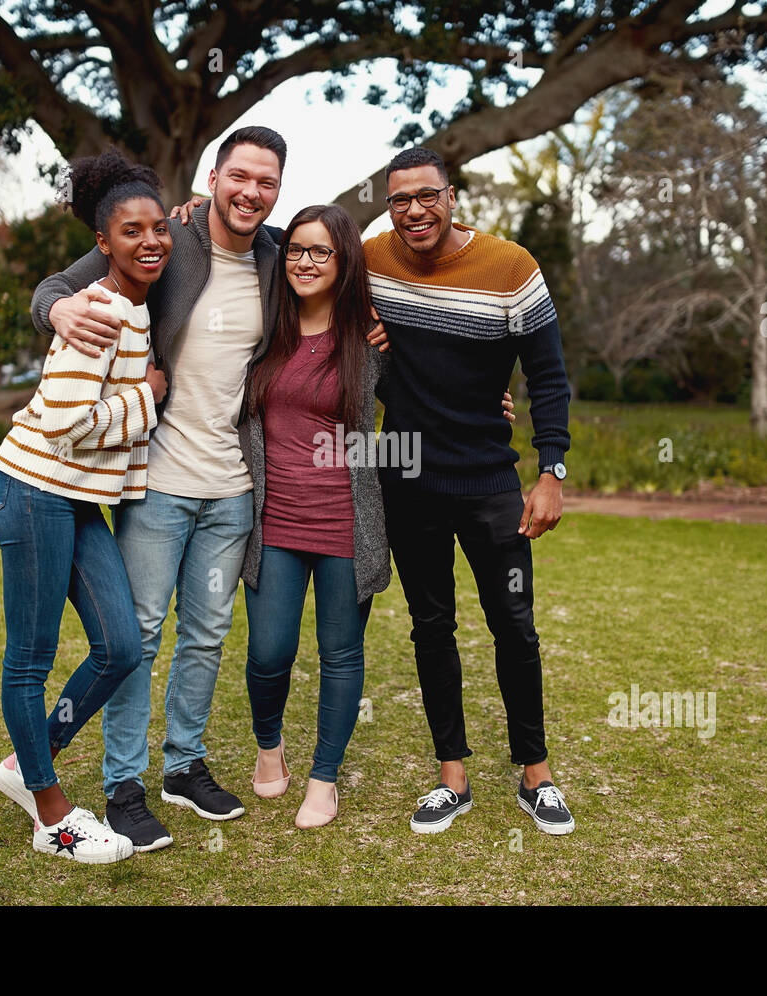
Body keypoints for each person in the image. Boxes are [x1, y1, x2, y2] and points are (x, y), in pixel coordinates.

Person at [29, 128, 388, 849]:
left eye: (268, 182)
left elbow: (329, 257)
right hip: (158, 479)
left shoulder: (276, 257)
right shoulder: (171, 240)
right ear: (213, 177)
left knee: (206, 638)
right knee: (141, 635)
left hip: (234, 492)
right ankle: (124, 783)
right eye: (241, 177)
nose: (252, 192)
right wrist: (56, 310)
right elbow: (61, 284)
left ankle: (184, 766)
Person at [239, 205, 517, 828]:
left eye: (321, 252)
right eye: (296, 251)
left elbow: (433, 392)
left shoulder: (373, 342)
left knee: (341, 653)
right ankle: (269, 745)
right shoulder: (265, 333)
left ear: (344, 264)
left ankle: (324, 778)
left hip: (348, 522)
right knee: (268, 652)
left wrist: (485, 404)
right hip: (274, 521)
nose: (305, 262)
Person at [365, 147, 577, 836]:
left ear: (452, 196)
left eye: (427, 196)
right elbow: (294, 251)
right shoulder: (370, 262)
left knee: (514, 625)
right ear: (388, 205)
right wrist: (192, 211)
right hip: (408, 483)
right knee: (432, 629)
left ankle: (535, 775)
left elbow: (547, 376)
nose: (414, 211)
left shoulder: (512, 268)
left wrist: (552, 471)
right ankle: (451, 775)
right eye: (399, 200)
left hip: (490, 483)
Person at [0, 150, 172, 863]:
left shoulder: (136, 305)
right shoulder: (97, 308)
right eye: (132, 231)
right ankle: (51, 814)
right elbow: (65, 422)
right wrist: (147, 397)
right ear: (103, 244)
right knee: (29, 660)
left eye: (159, 228)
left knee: (121, 647)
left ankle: (25, 761)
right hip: (32, 492)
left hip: (75, 500)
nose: (151, 241)